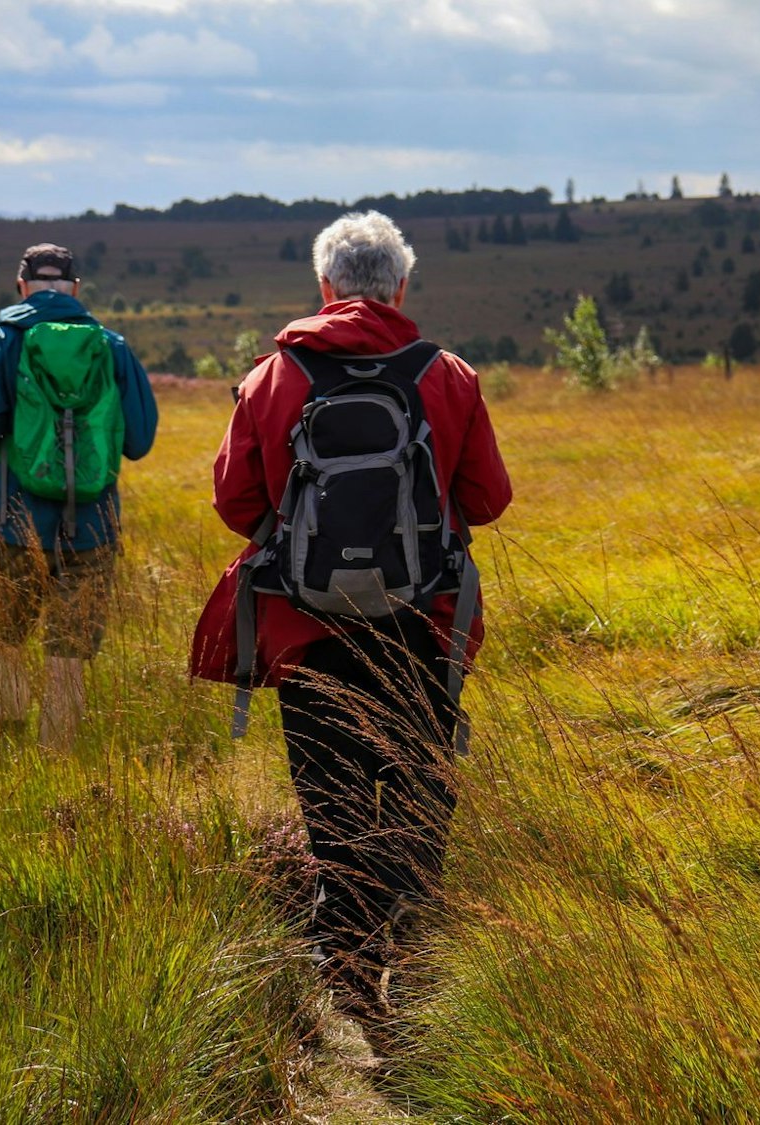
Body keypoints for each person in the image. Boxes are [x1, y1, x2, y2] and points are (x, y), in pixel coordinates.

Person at [190, 211, 510, 1039]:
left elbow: (235, 503)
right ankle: (418, 964)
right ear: (401, 287)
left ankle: (354, 981)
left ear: (325, 288)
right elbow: (487, 501)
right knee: (416, 792)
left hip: (308, 628)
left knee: (332, 809)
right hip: (425, 630)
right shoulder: (449, 376)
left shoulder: (272, 377)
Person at [0, 243, 158, 751]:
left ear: (21, 286)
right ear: (75, 290)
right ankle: (56, 759)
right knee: (69, 652)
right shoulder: (111, 346)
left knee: (4, 639)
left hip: (12, 522)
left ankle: (10, 746)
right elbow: (139, 440)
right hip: (92, 528)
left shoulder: (0, 343)